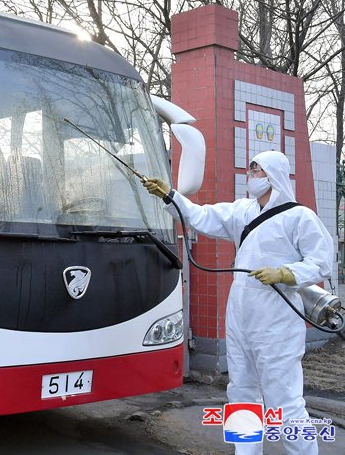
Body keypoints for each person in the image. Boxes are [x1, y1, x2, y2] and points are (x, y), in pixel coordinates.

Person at [143, 150, 334, 455]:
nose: (251, 176)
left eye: (257, 171)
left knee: (283, 400)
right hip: (241, 316)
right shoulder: (243, 211)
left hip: (277, 322)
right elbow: (200, 215)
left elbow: (322, 262)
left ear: (273, 176)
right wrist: (171, 196)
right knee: (241, 393)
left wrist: (286, 272)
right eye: (251, 170)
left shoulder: (299, 217)